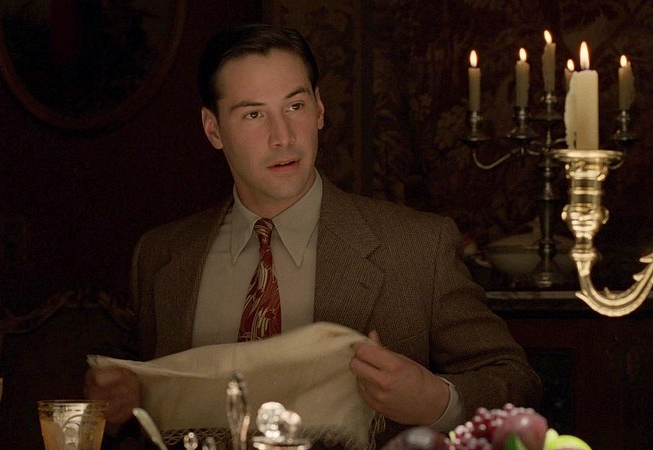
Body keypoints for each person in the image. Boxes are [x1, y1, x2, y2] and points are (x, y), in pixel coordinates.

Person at [85, 22, 542, 447]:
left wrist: (437, 400)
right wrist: (114, 406)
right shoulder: (161, 257)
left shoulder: (418, 247)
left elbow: (517, 382)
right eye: (253, 115)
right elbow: (131, 406)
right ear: (213, 129)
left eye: (295, 106)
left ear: (319, 108)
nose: (283, 136)